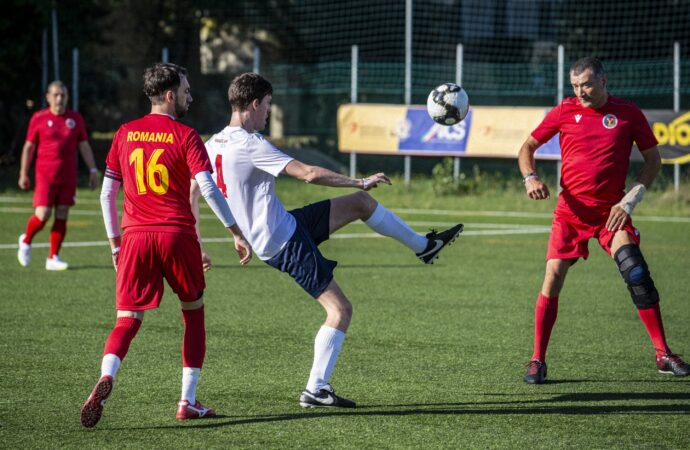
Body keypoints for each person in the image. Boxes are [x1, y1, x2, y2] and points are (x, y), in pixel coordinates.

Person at [196, 72, 463, 408]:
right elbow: (308, 173)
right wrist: (360, 180)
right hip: (283, 241)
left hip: (284, 224)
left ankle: (425, 247)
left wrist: (224, 233)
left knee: (360, 205)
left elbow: (195, 191)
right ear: (253, 104)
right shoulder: (252, 145)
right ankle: (316, 388)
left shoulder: (213, 143)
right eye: (267, 105)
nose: (268, 112)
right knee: (340, 310)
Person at [80, 63, 252, 428]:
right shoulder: (186, 136)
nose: (191, 96)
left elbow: (107, 193)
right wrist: (235, 231)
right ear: (171, 95)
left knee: (127, 319)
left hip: (135, 238)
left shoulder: (125, 133)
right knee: (193, 312)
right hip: (176, 235)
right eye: (187, 91)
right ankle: (187, 401)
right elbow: (207, 188)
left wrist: (115, 245)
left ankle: (107, 373)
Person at [518, 57, 690, 384]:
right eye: (575, 86)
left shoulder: (628, 113)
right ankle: (537, 359)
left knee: (636, 271)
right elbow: (527, 147)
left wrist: (630, 200)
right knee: (552, 279)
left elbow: (653, 160)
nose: (580, 91)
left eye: (587, 84)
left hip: (611, 212)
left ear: (603, 81)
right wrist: (530, 178)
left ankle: (663, 354)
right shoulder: (565, 111)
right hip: (570, 213)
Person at [17, 81, 100, 270]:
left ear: (67, 97)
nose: (59, 99)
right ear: (48, 97)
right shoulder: (38, 118)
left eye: (63, 95)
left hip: (67, 176)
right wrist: (23, 173)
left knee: (62, 213)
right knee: (43, 213)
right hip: (45, 175)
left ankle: (53, 257)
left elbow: (84, 146)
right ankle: (26, 240)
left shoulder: (75, 119)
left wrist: (93, 169)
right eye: (55, 95)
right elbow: (29, 147)